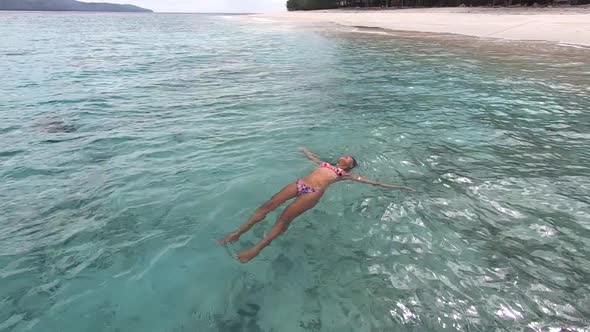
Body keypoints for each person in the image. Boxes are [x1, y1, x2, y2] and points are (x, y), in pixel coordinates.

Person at [219, 148, 414, 263]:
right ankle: (238, 233)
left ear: (350, 165)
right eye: (345, 155)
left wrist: (399, 186)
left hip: (313, 193)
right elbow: (312, 157)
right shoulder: (325, 164)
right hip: (300, 183)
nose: (345, 156)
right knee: (268, 205)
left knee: (283, 219)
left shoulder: (345, 175)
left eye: (349, 158)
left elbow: (373, 183)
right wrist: (303, 149)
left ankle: (257, 249)